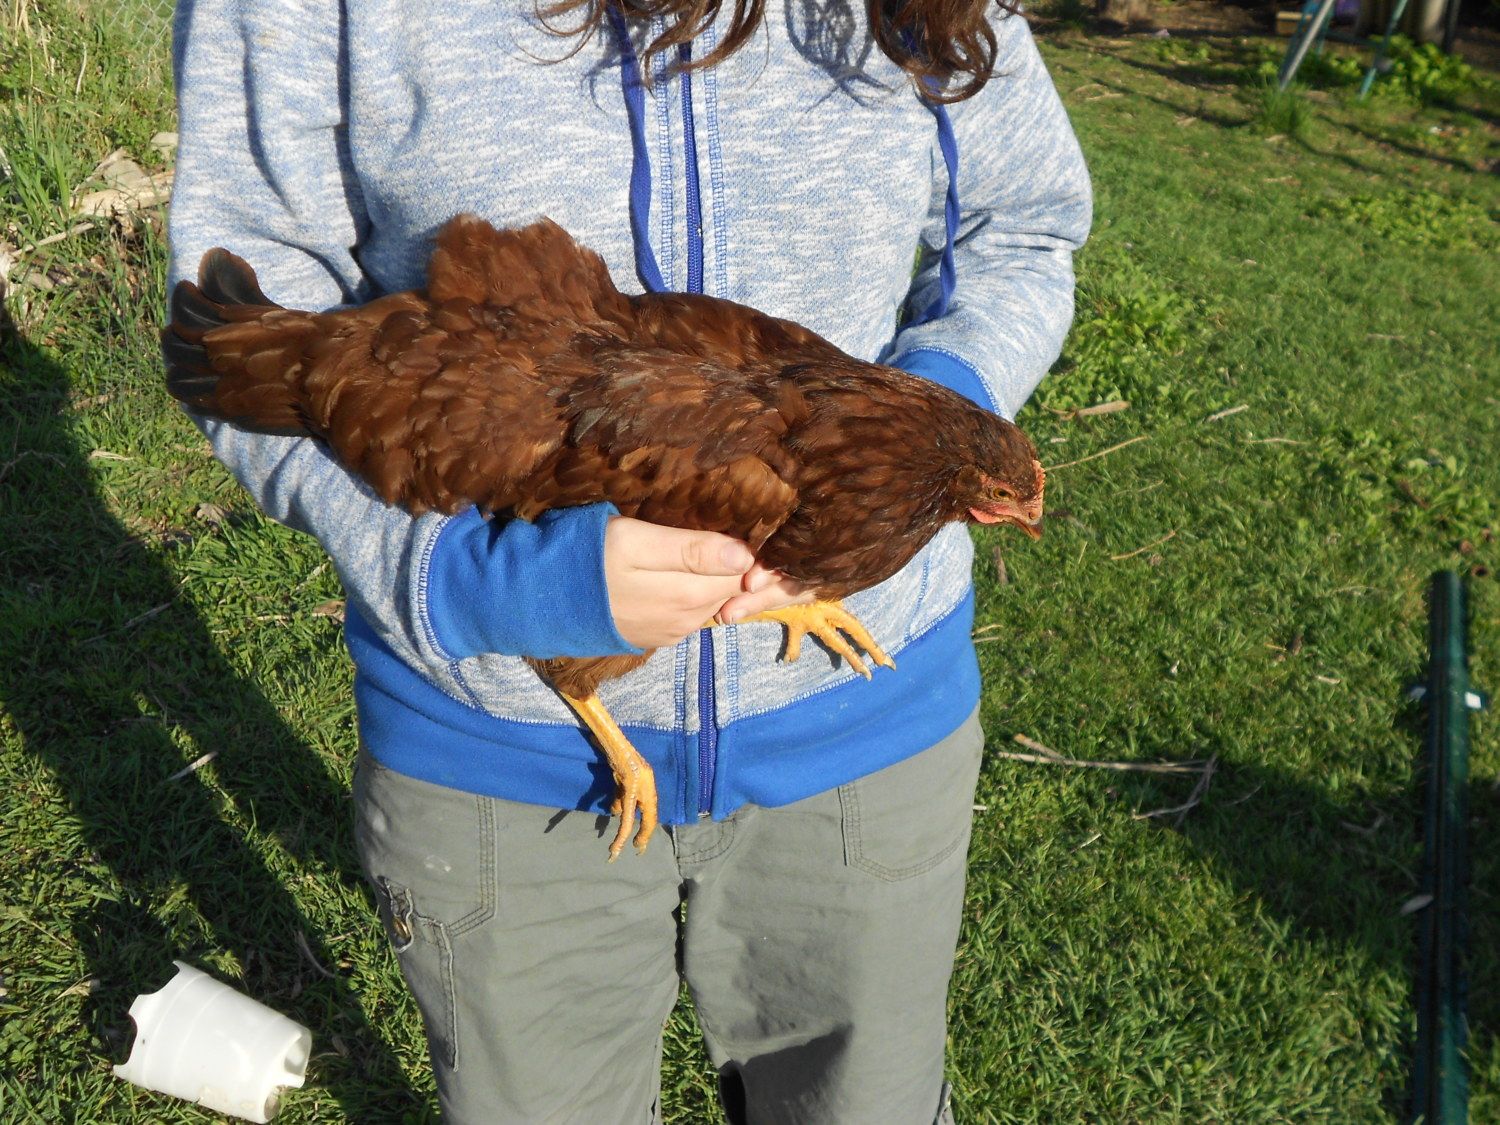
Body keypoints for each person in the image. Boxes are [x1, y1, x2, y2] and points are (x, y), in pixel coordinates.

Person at [168, 1, 1091, 1120]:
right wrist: (477, 581)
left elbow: (1023, 226)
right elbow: (258, 303)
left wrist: (933, 416)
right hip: (504, 757)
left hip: (865, 747)